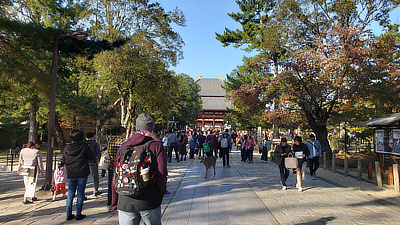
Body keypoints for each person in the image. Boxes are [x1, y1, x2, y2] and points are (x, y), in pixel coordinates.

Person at [111, 113, 167, 225]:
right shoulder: (156, 145)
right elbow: (161, 173)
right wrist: (160, 194)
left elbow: (116, 175)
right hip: (149, 198)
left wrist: (114, 201)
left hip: (125, 199)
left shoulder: (124, 145)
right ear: (152, 128)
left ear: (136, 127)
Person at [63, 129, 95, 220]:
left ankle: (68, 214)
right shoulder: (84, 146)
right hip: (82, 171)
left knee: (70, 193)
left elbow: (64, 159)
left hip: (71, 172)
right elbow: (91, 157)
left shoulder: (66, 147)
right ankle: (78, 213)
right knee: (80, 193)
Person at [17, 139, 44, 204]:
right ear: (36, 145)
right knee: (32, 183)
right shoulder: (37, 152)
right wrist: (42, 171)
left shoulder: (23, 150)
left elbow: (20, 161)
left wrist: (18, 168)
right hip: (33, 168)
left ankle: (32, 196)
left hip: (25, 167)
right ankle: (25, 199)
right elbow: (40, 163)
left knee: (26, 183)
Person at [108, 126, 126, 208]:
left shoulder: (111, 141)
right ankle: (117, 201)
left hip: (111, 164)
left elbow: (108, 151)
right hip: (120, 165)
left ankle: (110, 201)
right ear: (123, 133)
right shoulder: (123, 142)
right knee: (119, 183)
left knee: (111, 183)